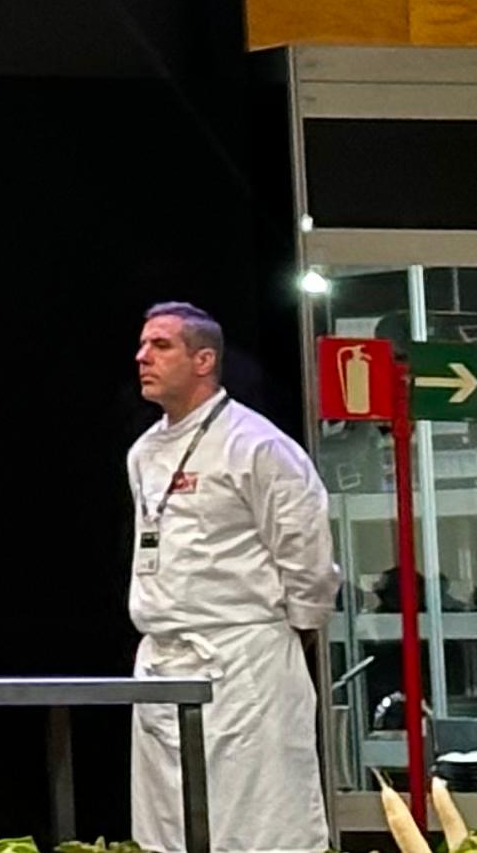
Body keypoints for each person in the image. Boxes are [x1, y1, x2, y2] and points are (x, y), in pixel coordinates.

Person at [126, 301, 337, 853]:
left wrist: (299, 627)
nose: (142, 356)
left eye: (160, 345)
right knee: (168, 825)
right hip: (162, 658)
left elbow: (305, 550)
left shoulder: (258, 446)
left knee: (261, 825)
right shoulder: (144, 452)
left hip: (245, 661)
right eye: (143, 345)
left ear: (204, 360)